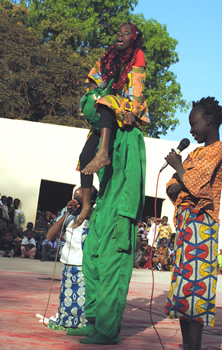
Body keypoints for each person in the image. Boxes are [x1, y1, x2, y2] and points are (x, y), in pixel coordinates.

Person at [66, 85, 146, 343]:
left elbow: (134, 177)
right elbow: (85, 165)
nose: (95, 120)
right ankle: (93, 322)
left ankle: (108, 330)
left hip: (121, 209)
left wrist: (126, 215)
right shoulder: (101, 137)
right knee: (91, 262)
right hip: (103, 207)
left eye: (99, 115)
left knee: (112, 270)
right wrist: (89, 205)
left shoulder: (130, 136)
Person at [164, 97, 222, 350]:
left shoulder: (216, 150)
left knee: (195, 293)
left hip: (202, 227)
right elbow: (172, 187)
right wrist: (182, 177)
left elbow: (198, 186)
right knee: (182, 294)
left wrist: (180, 170)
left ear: (209, 120)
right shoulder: (195, 153)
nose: (191, 130)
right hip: (187, 226)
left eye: (194, 123)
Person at [73, 22, 149, 228]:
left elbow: (137, 87)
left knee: (106, 102)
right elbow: (94, 78)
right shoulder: (108, 55)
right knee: (84, 156)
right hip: (105, 111)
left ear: (133, 39)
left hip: (122, 106)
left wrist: (133, 112)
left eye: (126, 33)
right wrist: (92, 93)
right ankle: (87, 205)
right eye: (119, 32)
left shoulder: (137, 55)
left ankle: (104, 153)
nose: (121, 35)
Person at [47, 186, 97, 330]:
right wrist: (67, 214)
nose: (79, 189)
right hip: (69, 263)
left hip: (86, 264)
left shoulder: (94, 214)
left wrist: (84, 210)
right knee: (67, 297)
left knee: (82, 299)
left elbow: (97, 225)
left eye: (83, 190)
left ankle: (84, 324)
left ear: (91, 200)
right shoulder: (67, 212)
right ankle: (66, 320)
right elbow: (50, 236)